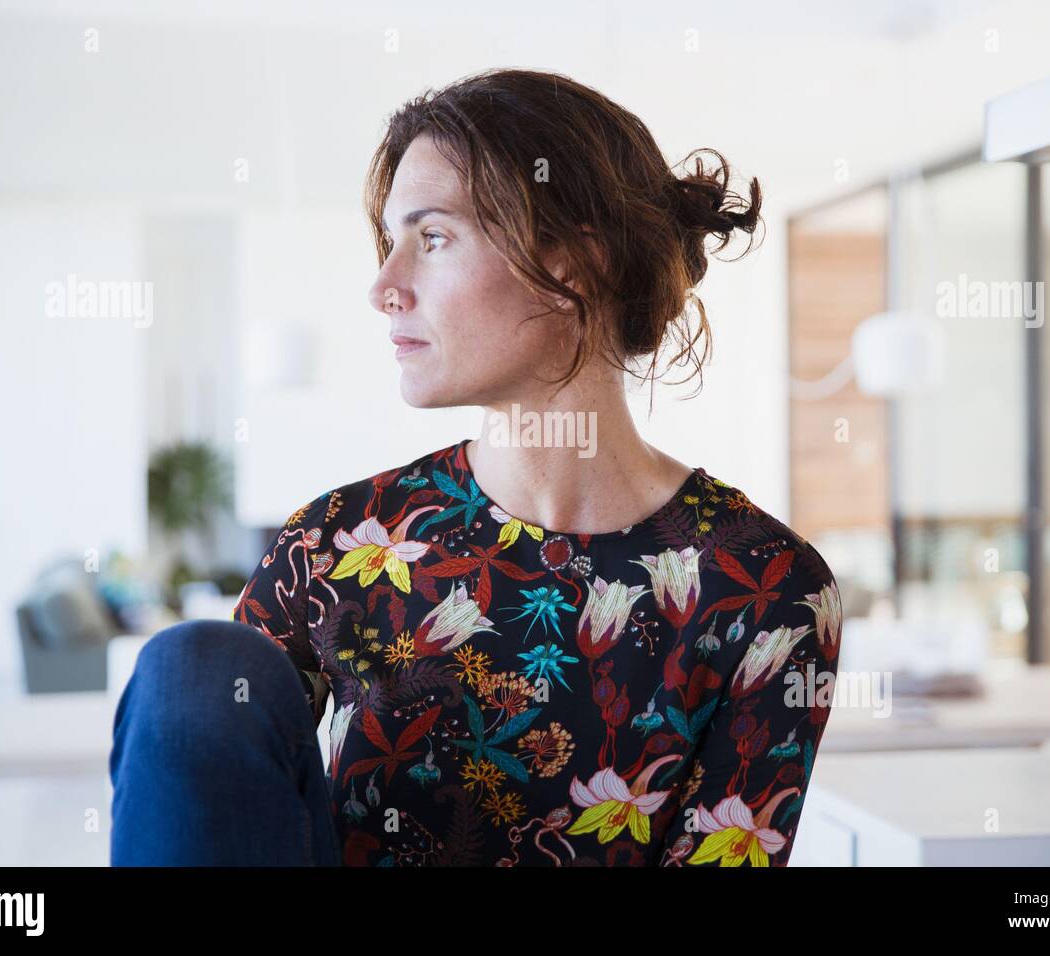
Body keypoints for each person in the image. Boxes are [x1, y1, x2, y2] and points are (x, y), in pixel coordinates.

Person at [110, 66, 841, 867]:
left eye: (432, 238)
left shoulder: (768, 589)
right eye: (390, 244)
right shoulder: (337, 544)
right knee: (192, 667)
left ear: (573, 264)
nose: (385, 287)